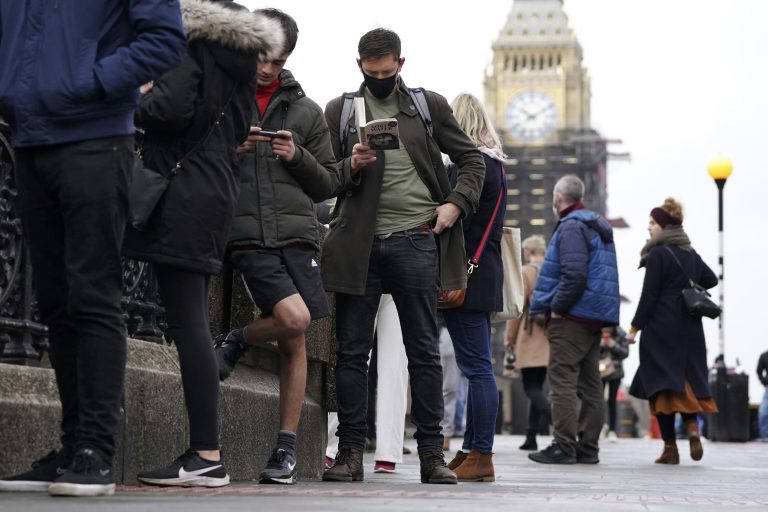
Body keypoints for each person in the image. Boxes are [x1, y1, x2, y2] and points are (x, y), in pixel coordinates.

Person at [0, 0, 186, 497]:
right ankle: (71, 447)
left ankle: (96, 452)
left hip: (95, 138)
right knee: (55, 303)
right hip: (30, 140)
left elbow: (166, 40)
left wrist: (91, 82)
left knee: (93, 295)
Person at [122, 2, 284, 487]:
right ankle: (204, 453)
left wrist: (137, 94)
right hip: (212, 192)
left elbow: (167, 110)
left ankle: (205, 453)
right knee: (189, 316)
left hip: (182, 195)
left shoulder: (190, 46)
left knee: (187, 320)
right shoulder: (238, 61)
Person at [321, 28, 485, 485]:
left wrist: (456, 204)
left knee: (424, 354)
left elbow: (472, 161)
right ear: (359, 67)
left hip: (416, 238)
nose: (379, 79)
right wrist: (349, 165)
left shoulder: (427, 106)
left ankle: (432, 455)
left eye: (387, 73)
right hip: (360, 244)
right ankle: (350, 452)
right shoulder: (341, 112)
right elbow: (324, 180)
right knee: (352, 354)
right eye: (372, 74)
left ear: (401, 65)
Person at [210, 8, 340, 486]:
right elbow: (191, 156)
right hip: (246, 233)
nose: (267, 68)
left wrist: (297, 155)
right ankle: (237, 339)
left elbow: (328, 180)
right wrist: (231, 149)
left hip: (298, 234)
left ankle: (284, 451)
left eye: (277, 60)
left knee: (295, 338)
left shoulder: (305, 110)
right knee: (295, 318)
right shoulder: (224, 98)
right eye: (262, 57)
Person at [528, 174, 620, 465]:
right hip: (594, 315)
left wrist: (556, 307)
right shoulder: (596, 226)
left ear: (558, 198)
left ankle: (564, 445)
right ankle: (588, 447)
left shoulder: (570, 227)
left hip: (572, 316)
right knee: (592, 383)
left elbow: (574, 274)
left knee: (562, 381)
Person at [440, 93, 506, 483]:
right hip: (484, 272)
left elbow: (452, 217)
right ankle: (470, 450)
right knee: (476, 366)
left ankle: (482, 454)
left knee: (477, 368)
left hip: (464, 275)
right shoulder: (496, 164)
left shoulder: (471, 165)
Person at [626, 197, 718, 464]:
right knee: (684, 382)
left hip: (660, 329)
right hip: (690, 329)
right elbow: (710, 278)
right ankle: (691, 427)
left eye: (653, 223)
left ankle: (670, 449)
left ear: (665, 227)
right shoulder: (690, 253)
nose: (649, 228)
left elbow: (649, 296)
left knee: (661, 385)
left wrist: (634, 329)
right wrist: (687, 287)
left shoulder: (658, 254)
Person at [325, 294, 410, 473]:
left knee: (352, 358)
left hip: (365, 274)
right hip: (394, 274)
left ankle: (332, 446)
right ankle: (387, 453)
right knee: (383, 363)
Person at [505, 235, 551, 452]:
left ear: (527, 252)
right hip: (549, 336)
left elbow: (517, 308)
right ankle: (531, 436)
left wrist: (509, 339)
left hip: (529, 335)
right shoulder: (552, 270)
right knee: (538, 387)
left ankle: (559, 423)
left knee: (530, 387)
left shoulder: (526, 272)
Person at [600, 325, 629, 441]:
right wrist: (601, 345)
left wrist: (613, 345)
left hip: (615, 371)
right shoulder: (597, 330)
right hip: (599, 370)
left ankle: (612, 430)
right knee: (598, 400)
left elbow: (625, 353)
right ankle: (600, 427)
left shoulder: (621, 333)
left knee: (612, 400)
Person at [758, 350, 768, 439]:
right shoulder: (764, 356)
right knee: (763, 413)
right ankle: (765, 435)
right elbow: (759, 370)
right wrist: (764, 381)